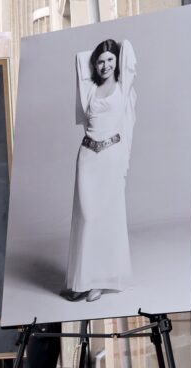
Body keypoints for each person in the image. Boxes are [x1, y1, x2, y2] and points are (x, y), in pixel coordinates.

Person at [63, 38, 138, 303]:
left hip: (111, 157)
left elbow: (128, 128)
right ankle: (81, 280)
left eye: (110, 60)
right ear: (94, 64)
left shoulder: (124, 89)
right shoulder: (89, 90)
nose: (105, 65)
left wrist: (124, 163)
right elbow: (80, 59)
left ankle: (99, 281)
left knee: (106, 218)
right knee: (86, 217)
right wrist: (96, 54)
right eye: (100, 60)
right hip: (87, 157)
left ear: (118, 61)